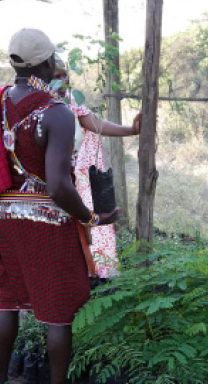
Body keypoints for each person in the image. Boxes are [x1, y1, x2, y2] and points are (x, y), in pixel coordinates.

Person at [0, 28, 118, 384]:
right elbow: (57, 185)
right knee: (57, 312)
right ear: (48, 62)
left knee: (7, 301)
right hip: (47, 222)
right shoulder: (56, 112)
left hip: (5, 216)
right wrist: (91, 218)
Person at [52, 60, 142, 280]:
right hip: (49, 181)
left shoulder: (70, 101)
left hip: (72, 178)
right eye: (56, 76)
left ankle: (93, 276)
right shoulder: (39, 106)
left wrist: (131, 130)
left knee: (83, 228)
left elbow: (96, 124)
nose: (62, 81)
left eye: (65, 75)